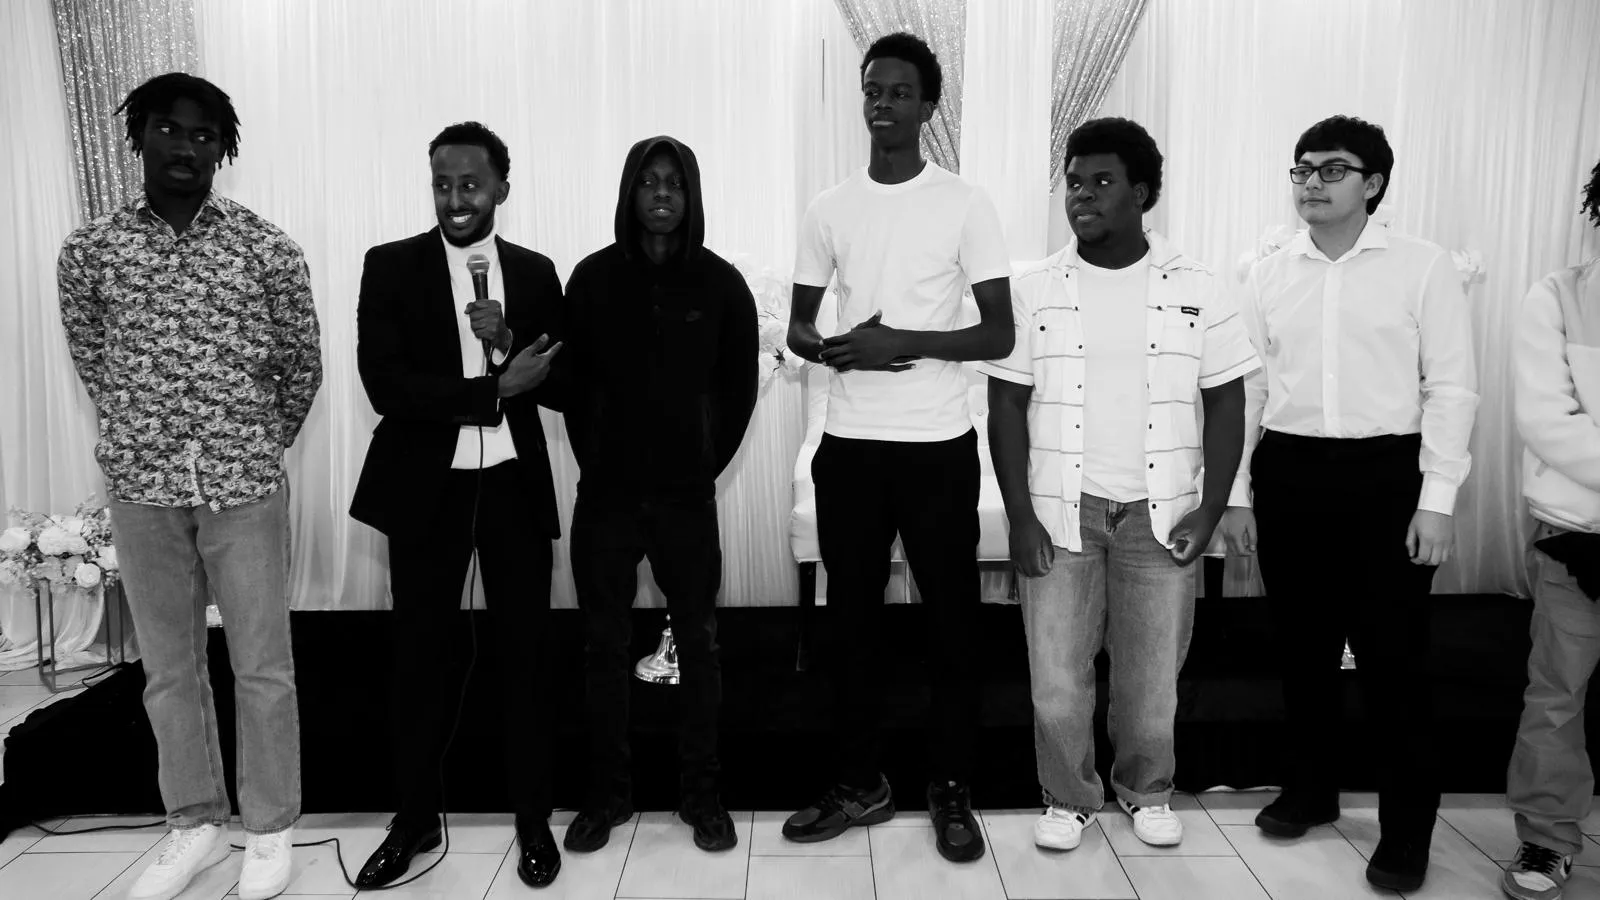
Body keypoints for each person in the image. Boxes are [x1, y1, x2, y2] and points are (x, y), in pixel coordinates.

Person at [56, 72, 321, 900]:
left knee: (262, 666)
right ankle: (195, 824)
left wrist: (252, 443)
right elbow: (95, 360)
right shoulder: (91, 250)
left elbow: (301, 366)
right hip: (143, 489)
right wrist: (143, 434)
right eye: (169, 129)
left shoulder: (266, 248)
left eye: (204, 135)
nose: (186, 146)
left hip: (244, 488)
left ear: (223, 150)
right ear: (139, 136)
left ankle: (269, 829)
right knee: (170, 670)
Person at [1218, 115, 1478, 892]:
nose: (1312, 183)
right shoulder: (1267, 274)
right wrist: (1236, 494)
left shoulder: (1423, 267)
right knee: (1302, 651)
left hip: (1388, 477)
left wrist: (1437, 500)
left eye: (1333, 169)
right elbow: (1249, 389)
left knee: (1395, 661)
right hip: (1291, 472)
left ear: (1374, 183)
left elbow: (1452, 387)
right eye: (1302, 169)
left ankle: (1406, 829)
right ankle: (1312, 790)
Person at [983, 118, 1258, 852]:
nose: (1082, 195)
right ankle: (1068, 796)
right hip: (1060, 510)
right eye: (1073, 183)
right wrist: (1020, 516)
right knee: (1056, 677)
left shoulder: (1197, 285)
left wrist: (1211, 504)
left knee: (1151, 678)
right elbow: (1005, 405)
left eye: (1101, 182)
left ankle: (1147, 789)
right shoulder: (1034, 288)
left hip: (1158, 513)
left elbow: (1227, 400)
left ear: (1142, 193)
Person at [780, 31, 1014, 863]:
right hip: (849, 446)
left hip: (936, 446)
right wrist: (835, 347)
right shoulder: (829, 207)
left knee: (952, 627)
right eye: (873, 89)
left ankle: (951, 788)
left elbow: (998, 332)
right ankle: (860, 784)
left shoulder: (965, 203)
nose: (882, 102)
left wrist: (902, 342)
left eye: (900, 91)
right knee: (852, 628)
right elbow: (800, 327)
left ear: (927, 106)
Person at [349, 121, 566, 890]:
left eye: (469, 184)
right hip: (426, 491)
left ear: (502, 186)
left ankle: (533, 819)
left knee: (526, 661)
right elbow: (386, 385)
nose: (454, 199)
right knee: (419, 662)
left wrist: (505, 342)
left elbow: (562, 385)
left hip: (512, 488)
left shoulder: (535, 272)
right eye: (442, 184)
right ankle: (413, 820)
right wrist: (491, 390)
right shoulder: (390, 265)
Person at [560, 136, 756, 854]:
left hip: (685, 499)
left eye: (674, 182)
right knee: (602, 648)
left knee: (698, 647)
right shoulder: (592, 279)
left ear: (691, 193)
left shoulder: (722, 285)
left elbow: (738, 392)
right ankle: (607, 797)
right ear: (629, 192)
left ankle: (702, 797)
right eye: (648, 182)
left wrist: (701, 464)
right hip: (606, 497)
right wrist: (598, 457)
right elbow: (572, 384)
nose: (662, 194)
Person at [1500, 158, 1600, 900]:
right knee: (1558, 695)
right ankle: (1547, 838)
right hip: (1579, 534)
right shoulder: (1560, 296)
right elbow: (1546, 418)